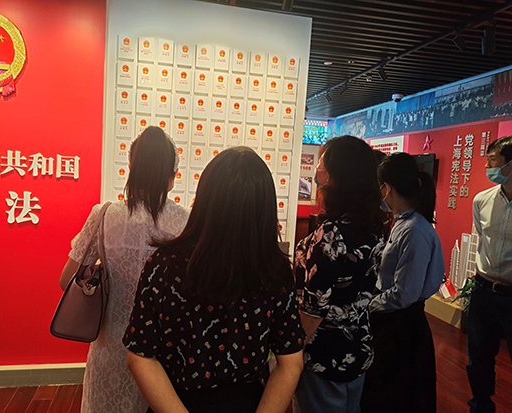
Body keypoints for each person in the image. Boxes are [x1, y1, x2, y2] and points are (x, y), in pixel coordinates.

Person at [123, 146, 305, 413]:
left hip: (174, 401)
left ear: (204, 198)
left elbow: (140, 356)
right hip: (248, 403)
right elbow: (290, 363)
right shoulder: (275, 273)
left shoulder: (163, 265)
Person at [59, 126, 189, 413]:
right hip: (163, 355)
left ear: (131, 167)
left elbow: (66, 280)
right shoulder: (186, 223)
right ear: (171, 176)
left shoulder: (104, 215)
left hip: (109, 348)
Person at [293, 135, 384, 413]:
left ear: (337, 177)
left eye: (322, 166)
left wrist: (289, 352)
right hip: (357, 344)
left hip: (323, 351)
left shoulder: (331, 233)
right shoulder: (374, 226)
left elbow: (314, 310)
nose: (317, 173)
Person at [362, 152, 444, 413]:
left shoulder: (414, 230)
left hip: (402, 328)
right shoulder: (403, 223)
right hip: (394, 321)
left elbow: (404, 293)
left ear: (386, 188)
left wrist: (367, 306)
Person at [467, 135, 512, 413]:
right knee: (478, 359)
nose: (487, 166)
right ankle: (481, 406)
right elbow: (482, 239)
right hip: (483, 292)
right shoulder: (481, 200)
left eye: (493, 160)